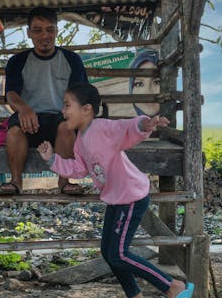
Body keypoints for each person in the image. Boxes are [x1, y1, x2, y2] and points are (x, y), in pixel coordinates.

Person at [36, 83, 194, 298]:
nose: (63, 111)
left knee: (119, 253)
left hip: (130, 196)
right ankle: (134, 294)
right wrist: (52, 159)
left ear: (87, 109)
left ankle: (171, 285)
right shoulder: (80, 140)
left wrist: (146, 124)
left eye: (66, 105)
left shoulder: (102, 128)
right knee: (109, 253)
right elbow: (79, 168)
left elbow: (126, 128)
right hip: (116, 199)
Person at [0, 6, 88, 195]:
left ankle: (64, 181)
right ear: (29, 33)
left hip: (59, 121)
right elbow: (11, 94)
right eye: (37, 30)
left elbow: (80, 95)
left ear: (56, 31)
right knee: (13, 131)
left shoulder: (72, 60)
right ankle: (16, 182)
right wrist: (24, 109)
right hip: (29, 121)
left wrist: (69, 112)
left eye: (50, 30)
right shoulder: (17, 61)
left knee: (67, 126)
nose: (44, 36)